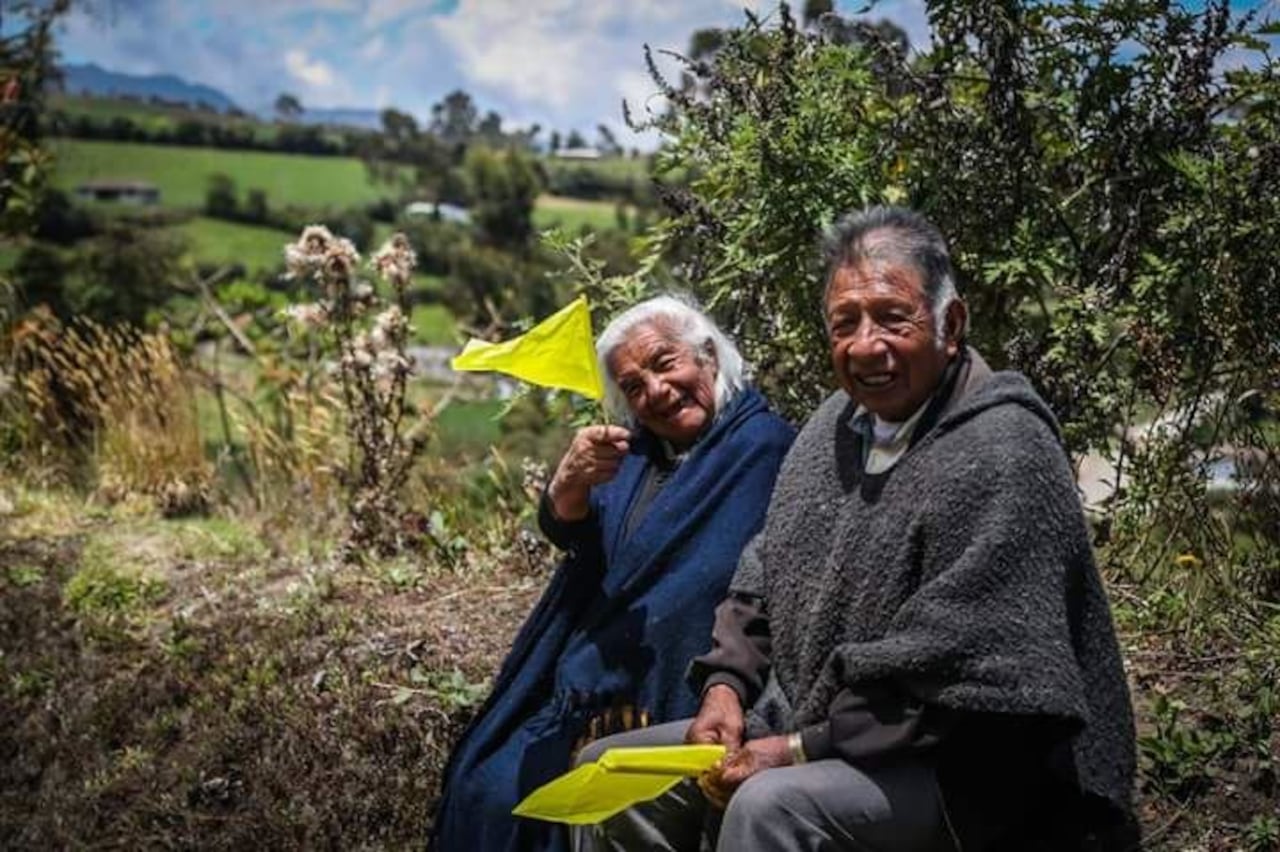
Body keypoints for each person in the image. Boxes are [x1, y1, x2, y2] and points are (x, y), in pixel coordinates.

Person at [577, 207, 1137, 851]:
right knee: (611, 774)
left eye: (893, 318)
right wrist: (725, 689)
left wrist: (794, 749)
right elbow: (763, 575)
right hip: (818, 725)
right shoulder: (834, 428)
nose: (866, 345)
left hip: (966, 771)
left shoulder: (1002, 447)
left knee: (767, 807)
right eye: (845, 324)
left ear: (951, 324)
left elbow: (965, 678)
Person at [431, 296, 795, 852]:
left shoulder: (764, 449)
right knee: (487, 783)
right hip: (582, 689)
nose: (656, 391)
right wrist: (568, 486)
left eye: (665, 363)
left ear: (708, 356)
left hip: (671, 690)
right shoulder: (631, 453)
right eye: (633, 386)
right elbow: (580, 537)